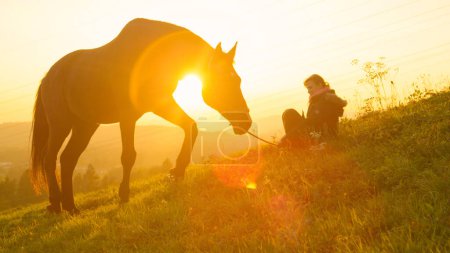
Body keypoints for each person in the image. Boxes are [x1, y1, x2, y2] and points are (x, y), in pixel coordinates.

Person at [280, 74, 347, 147]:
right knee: (288, 113)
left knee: (289, 113)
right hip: (316, 134)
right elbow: (312, 121)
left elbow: (312, 121)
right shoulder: (319, 98)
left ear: (320, 85)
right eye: (307, 89)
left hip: (321, 137)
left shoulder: (326, 99)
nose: (308, 91)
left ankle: (296, 147)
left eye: (310, 88)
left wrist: (285, 137)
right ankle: (294, 145)